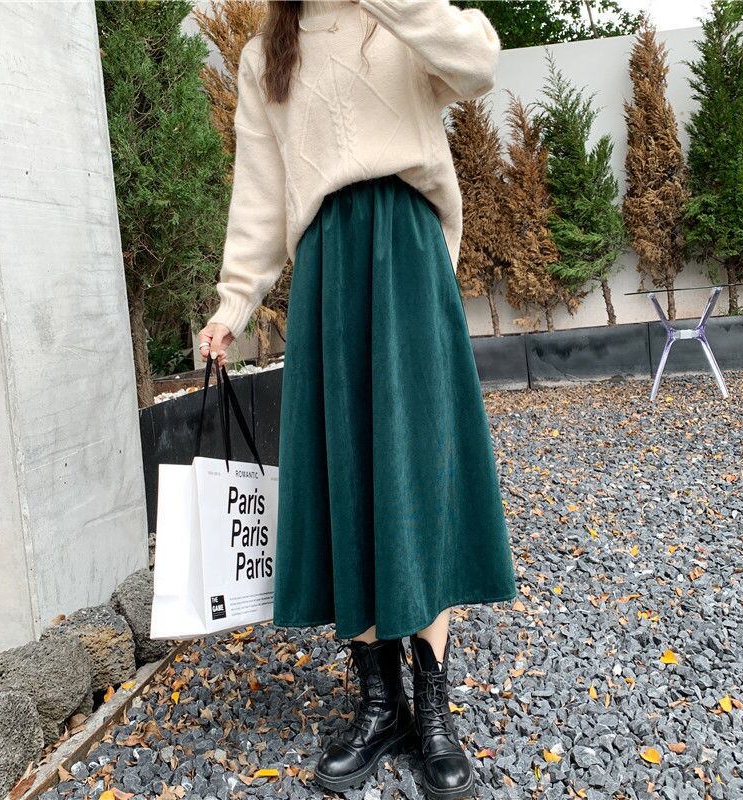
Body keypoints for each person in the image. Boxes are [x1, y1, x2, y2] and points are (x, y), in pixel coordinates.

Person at [196, 2, 517, 798]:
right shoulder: (266, 55)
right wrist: (233, 304)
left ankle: (431, 708)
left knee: (421, 474)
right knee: (348, 475)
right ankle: (381, 705)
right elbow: (260, 192)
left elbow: (479, 63)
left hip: (408, 253)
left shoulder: (397, 15)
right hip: (329, 267)